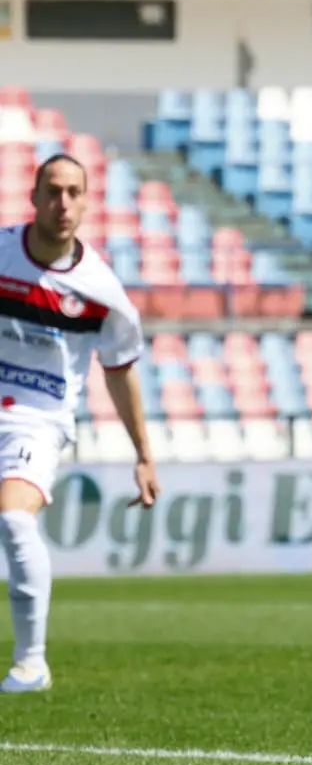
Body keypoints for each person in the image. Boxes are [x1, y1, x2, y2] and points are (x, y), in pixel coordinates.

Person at [2, 154, 159, 694]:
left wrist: (143, 454)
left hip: (38, 420)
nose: (62, 203)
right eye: (52, 190)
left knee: (16, 522)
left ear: (88, 201)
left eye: (73, 192)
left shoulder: (101, 291)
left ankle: (31, 662)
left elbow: (119, 373)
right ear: (34, 195)